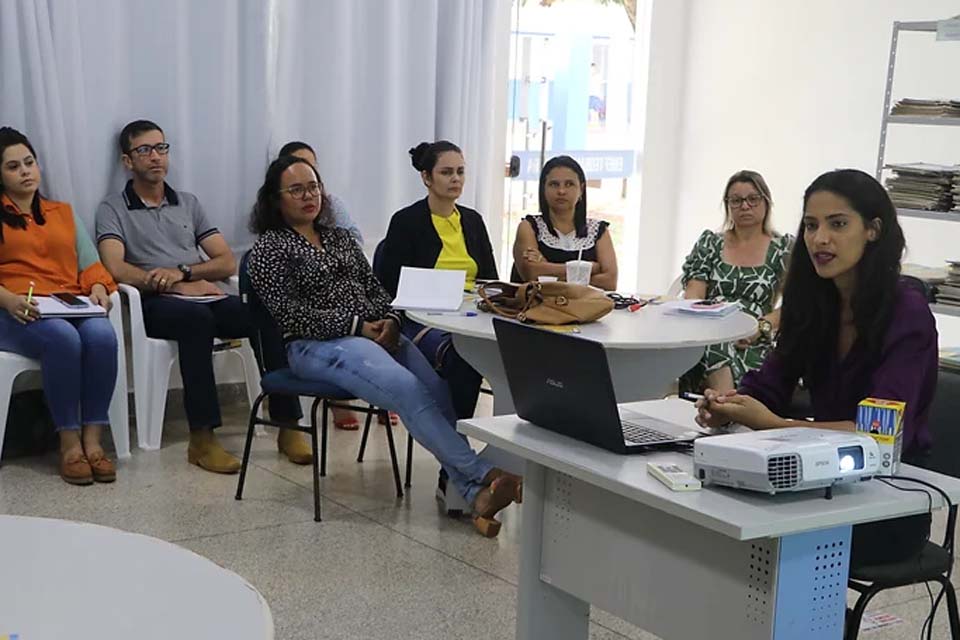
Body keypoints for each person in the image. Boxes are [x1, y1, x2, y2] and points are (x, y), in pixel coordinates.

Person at [246, 155, 522, 537]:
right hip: (315, 346)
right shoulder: (269, 250)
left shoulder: (339, 237)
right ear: (275, 200)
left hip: (374, 335)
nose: (308, 196)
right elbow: (290, 315)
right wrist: (358, 325)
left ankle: (476, 495)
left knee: (437, 390)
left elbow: (377, 290)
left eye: (313, 187)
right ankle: (481, 474)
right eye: (296, 190)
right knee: (406, 387)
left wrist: (390, 322)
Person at [695, 168, 937, 570]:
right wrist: (728, 405)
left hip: (887, 500)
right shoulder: (813, 302)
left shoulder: (905, 311)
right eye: (810, 225)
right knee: (714, 512)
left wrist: (777, 425)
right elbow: (768, 385)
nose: (819, 239)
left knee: (752, 541)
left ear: (873, 230)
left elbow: (881, 435)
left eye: (837, 224)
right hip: (816, 481)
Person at [95, 120, 311, 473]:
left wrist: (185, 274)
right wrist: (170, 285)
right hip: (155, 303)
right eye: (144, 150)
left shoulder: (188, 203)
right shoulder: (113, 208)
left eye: (161, 148)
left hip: (201, 294)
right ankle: (203, 437)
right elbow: (115, 268)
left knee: (264, 313)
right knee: (197, 321)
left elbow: (225, 259)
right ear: (127, 161)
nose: (155, 157)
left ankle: (286, 424)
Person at [0, 127, 118, 485]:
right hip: (15, 309)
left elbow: (90, 262)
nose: (25, 172)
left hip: (67, 302)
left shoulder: (61, 213)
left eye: (29, 162)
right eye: (13, 166)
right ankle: (68, 442)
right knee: (63, 339)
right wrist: (7, 298)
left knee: (101, 335)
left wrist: (98, 286)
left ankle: (94, 439)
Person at [379, 141, 498, 420]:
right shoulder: (406, 221)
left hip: (471, 315)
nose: (456, 179)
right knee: (464, 359)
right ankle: (455, 448)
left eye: (460, 171)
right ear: (426, 177)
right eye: (446, 172)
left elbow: (490, 279)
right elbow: (388, 283)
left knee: (517, 352)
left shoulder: (473, 221)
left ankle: (502, 450)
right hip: (422, 318)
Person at [277, 140, 379, 430]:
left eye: (312, 170)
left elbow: (354, 241)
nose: (306, 183)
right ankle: (352, 401)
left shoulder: (332, 205)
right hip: (310, 319)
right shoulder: (277, 228)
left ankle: (390, 396)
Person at [680, 170, 793, 393]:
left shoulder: (783, 249)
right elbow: (693, 296)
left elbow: (795, 304)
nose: (745, 206)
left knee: (722, 351)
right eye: (736, 200)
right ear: (727, 205)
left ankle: (723, 407)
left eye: (753, 199)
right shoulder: (710, 243)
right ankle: (728, 407)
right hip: (710, 331)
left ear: (766, 202)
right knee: (714, 344)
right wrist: (712, 324)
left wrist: (760, 327)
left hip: (754, 338)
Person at [511, 155, 618, 290]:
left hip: (584, 309)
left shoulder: (597, 231)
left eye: (569, 184)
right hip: (536, 308)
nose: (561, 191)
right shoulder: (528, 227)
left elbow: (609, 282)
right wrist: (589, 268)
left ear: (581, 189)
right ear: (543, 189)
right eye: (554, 184)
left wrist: (546, 268)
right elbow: (532, 274)